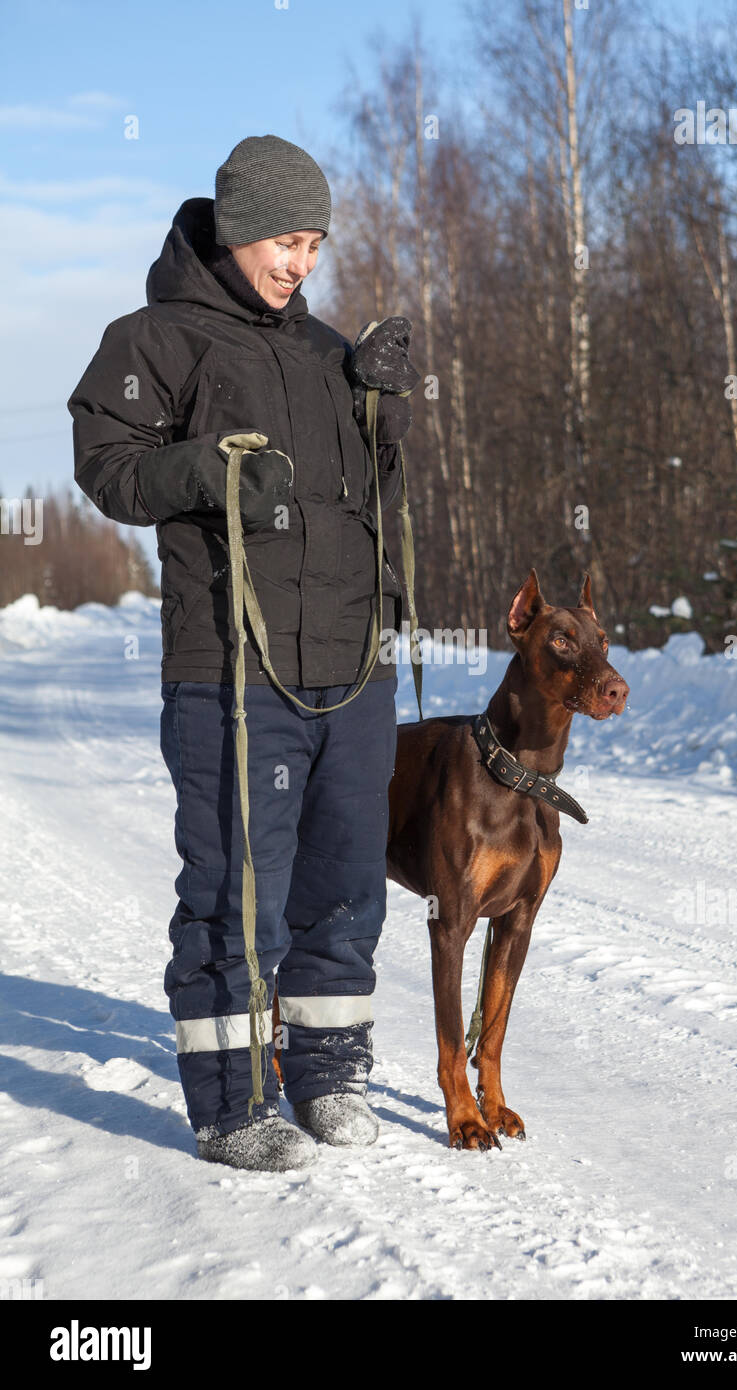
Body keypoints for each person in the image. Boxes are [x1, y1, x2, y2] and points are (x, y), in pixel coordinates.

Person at [68, 135, 419, 1172]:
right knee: (236, 887)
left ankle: (328, 1071)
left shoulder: (321, 353)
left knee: (346, 875)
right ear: (233, 232)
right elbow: (107, 465)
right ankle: (230, 1103)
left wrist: (378, 405)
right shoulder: (154, 339)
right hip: (229, 667)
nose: (299, 262)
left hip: (348, 666)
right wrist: (201, 472)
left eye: (312, 242)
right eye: (283, 239)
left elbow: (372, 489)